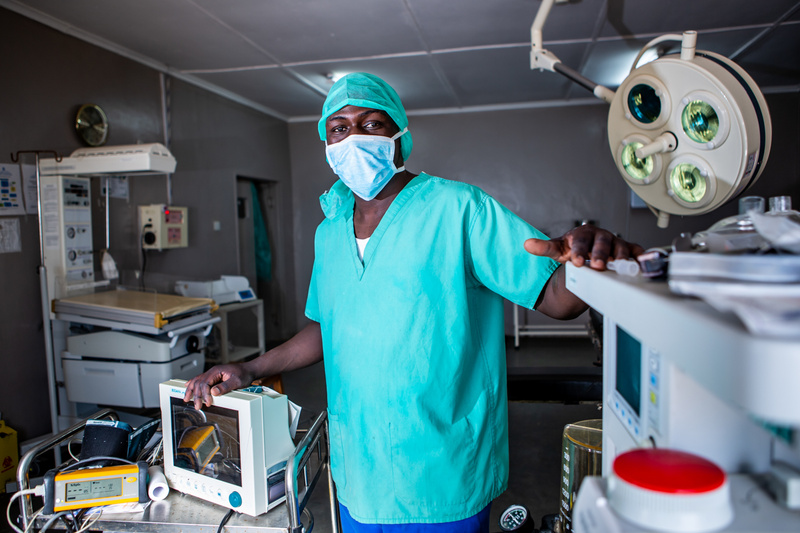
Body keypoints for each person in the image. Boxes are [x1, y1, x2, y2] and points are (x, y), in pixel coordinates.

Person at [184, 72, 643, 532]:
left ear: (400, 137)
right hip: (360, 469)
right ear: (327, 145)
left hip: (443, 470)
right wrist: (250, 368)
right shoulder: (330, 231)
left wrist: (590, 259)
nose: (354, 137)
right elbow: (327, 326)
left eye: (371, 124)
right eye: (340, 128)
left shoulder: (459, 209)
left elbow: (559, 299)